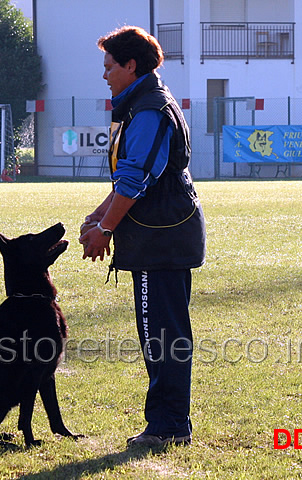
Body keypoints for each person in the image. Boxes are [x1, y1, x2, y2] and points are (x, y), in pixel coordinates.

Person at [79, 26, 206, 450]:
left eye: (109, 66)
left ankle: (168, 426)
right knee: (161, 332)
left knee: (162, 335)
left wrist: (106, 229)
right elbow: (130, 173)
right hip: (162, 235)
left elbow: (136, 180)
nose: (105, 75)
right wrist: (99, 215)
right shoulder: (141, 104)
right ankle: (170, 423)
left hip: (162, 240)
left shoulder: (150, 108)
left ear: (131, 66)